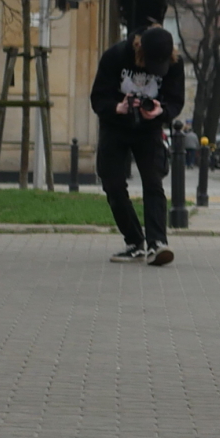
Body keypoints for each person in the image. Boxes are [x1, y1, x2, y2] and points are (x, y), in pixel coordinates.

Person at [91, 24, 185, 265]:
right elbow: (97, 97)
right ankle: (134, 241)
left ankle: (157, 243)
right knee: (112, 184)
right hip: (115, 127)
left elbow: (176, 100)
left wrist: (161, 112)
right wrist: (117, 107)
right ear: (139, 51)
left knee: (153, 183)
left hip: (149, 129)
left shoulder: (175, 64)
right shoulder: (115, 56)